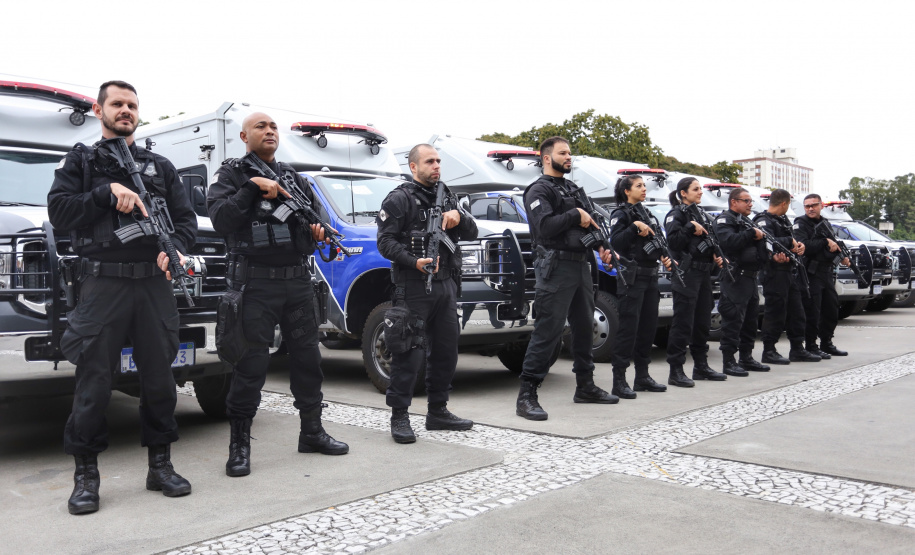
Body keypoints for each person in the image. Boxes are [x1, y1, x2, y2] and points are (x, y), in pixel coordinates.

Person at [47, 80, 197, 514]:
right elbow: (59, 211)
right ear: (100, 110)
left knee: (159, 379)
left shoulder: (160, 166)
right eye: (117, 104)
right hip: (103, 284)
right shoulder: (82, 160)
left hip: (153, 284)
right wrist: (103, 193)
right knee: (93, 382)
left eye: (132, 105)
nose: (126, 110)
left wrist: (177, 251)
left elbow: (186, 221)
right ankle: (86, 476)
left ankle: (161, 465)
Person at [207, 112, 348, 477]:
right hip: (254, 285)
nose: (269, 131)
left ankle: (312, 432)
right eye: (260, 127)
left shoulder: (292, 177)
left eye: (273, 127)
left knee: (307, 361)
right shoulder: (232, 174)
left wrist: (319, 230)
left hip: (297, 283)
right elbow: (221, 219)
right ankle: (239, 445)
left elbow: (319, 218)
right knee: (250, 365)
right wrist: (252, 187)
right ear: (244, 136)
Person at [376, 144, 478, 442]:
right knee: (407, 350)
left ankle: (438, 411)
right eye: (429, 161)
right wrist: (413, 260)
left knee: (446, 350)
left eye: (438, 161)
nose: (436, 166)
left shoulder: (447, 195)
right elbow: (384, 242)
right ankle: (399, 417)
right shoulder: (399, 199)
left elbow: (471, 232)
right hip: (413, 286)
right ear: (413, 166)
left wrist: (459, 217)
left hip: (445, 285)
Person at [515, 136, 618, 420]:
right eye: (563, 153)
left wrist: (603, 248)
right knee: (548, 330)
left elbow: (593, 226)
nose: (568, 157)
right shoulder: (538, 190)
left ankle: (585, 386)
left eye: (570, 153)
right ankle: (527, 394)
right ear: (546, 158)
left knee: (584, 329)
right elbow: (545, 227)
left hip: (581, 266)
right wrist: (575, 214)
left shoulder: (573, 188)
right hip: (555, 268)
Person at [608, 175, 673, 398]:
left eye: (644, 185)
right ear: (627, 191)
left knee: (647, 328)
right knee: (628, 329)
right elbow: (615, 242)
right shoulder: (621, 214)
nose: (644, 189)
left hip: (651, 276)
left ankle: (642, 376)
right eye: (639, 186)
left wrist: (666, 257)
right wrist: (634, 227)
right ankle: (619, 380)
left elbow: (658, 242)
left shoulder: (647, 213)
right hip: (632, 278)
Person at [664, 177, 728, 385]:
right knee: (683, 323)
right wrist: (690, 228)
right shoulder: (676, 214)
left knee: (702, 323)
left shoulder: (701, 214)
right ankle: (676, 370)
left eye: (701, 188)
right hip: (686, 274)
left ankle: (701, 367)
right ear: (683, 193)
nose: (700, 192)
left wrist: (716, 256)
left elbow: (711, 241)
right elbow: (673, 242)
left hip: (703, 275)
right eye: (696, 189)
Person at [753, 189, 820, 364]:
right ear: (784, 203)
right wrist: (789, 243)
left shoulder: (782, 220)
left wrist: (798, 247)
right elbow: (766, 242)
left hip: (789, 271)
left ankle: (797, 348)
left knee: (797, 312)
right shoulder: (763, 221)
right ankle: (769, 350)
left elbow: (790, 240)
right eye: (788, 205)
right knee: (775, 312)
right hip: (773, 272)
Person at [714, 187, 770, 376]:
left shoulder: (746, 221)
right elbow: (728, 242)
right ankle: (728, 361)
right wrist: (751, 234)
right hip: (735, 278)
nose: (750, 204)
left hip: (751, 277)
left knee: (750, 321)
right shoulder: (724, 220)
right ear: (734, 202)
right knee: (733, 320)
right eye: (746, 201)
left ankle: (746, 358)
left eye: (750, 201)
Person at [793, 193, 849, 358]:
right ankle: (811, 345)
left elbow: (832, 246)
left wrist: (842, 256)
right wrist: (825, 242)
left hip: (826, 272)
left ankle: (827, 343)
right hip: (810, 272)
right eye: (807, 206)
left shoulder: (825, 223)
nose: (810, 209)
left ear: (821, 206)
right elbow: (804, 246)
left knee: (831, 309)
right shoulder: (800, 223)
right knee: (813, 311)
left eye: (814, 205)